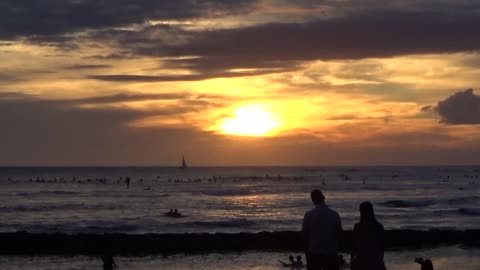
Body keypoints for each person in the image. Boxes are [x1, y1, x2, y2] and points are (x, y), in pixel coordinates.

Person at [302, 189, 343, 270]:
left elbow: (305, 234)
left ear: (312, 200)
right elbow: (339, 233)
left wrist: (307, 252)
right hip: (331, 252)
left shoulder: (309, 215)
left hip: (314, 252)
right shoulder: (334, 214)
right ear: (324, 197)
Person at [351, 202, 386, 270]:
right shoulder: (379, 227)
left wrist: (352, 261)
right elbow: (382, 247)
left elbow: (353, 246)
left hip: (361, 261)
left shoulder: (358, 227)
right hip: (375, 261)